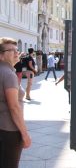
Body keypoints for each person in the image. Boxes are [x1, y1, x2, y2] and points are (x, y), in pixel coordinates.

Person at [0, 37, 31, 168]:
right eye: (11, 50)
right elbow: (14, 107)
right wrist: (25, 134)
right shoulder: (8, 74)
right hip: (9, 130)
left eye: (17, 49)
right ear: (1, 55)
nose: (16, 52)